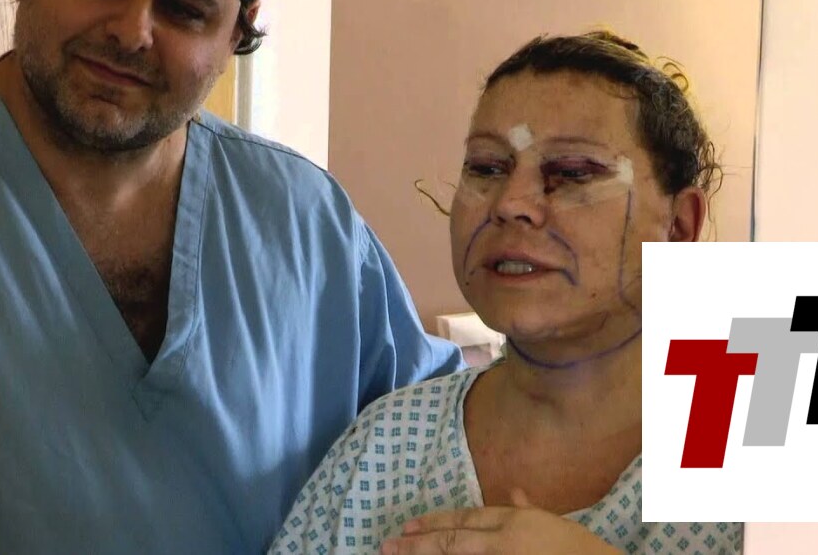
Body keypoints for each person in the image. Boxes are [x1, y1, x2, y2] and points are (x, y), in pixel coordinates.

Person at [0, 0, 463, 552]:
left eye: (184, 8)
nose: (131, 32)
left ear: (237, 32)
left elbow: (447, 449)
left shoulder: (309, 227)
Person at [269, 31, 743, 554]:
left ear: (678, 227)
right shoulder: (384, 448)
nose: (510, 203)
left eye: (573, 173)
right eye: (487, 168)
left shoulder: (760, 421)